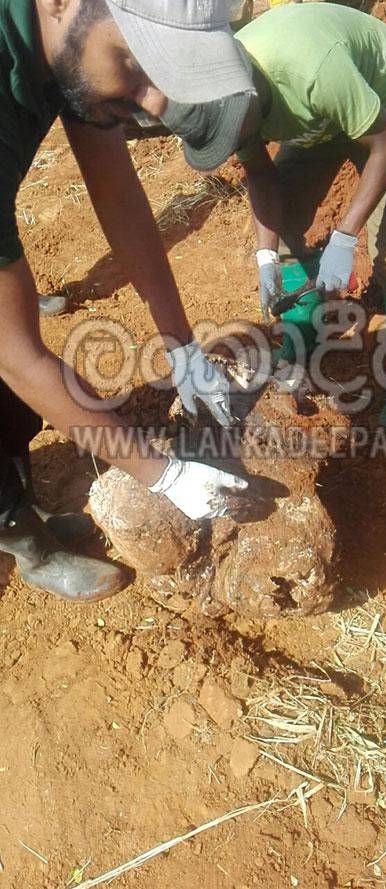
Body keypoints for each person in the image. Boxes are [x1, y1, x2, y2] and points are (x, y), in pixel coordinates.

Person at [0, 0, 254, 603]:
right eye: (137, 65)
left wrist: (182, 347)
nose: (156, 103)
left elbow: (115, 190)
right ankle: (19, 537)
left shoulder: (74, 46)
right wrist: (162, 475)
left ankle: (21, 510)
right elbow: (16, 354)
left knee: (12, 407)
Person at [160, 2, 386, 431]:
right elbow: (261, 176)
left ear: (251, 106)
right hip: (317, 116)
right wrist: (267, 256)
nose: (236, 142)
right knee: (281, 230)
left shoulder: (313, 72)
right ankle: (304, 334)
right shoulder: (225, 98)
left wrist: (345, 237)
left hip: (381, 102)